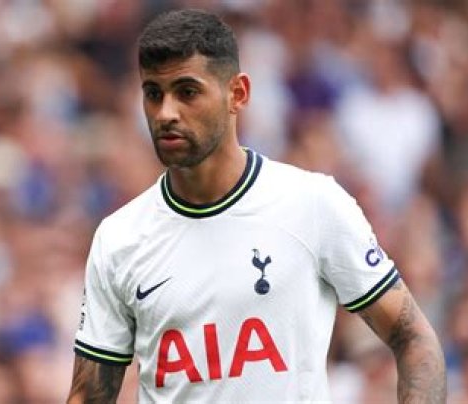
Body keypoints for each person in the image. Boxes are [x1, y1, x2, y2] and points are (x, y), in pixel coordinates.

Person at [66, 9, 445, 403]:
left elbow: (414, 338)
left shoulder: (312, 204)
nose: (166, 113)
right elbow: (88, 395)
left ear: (238, 93)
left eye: (187, 92)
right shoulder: (119, 237)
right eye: (153, 94)